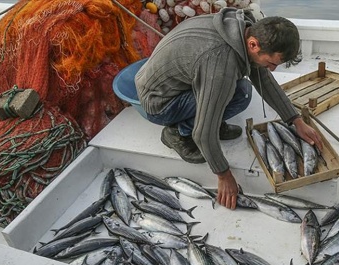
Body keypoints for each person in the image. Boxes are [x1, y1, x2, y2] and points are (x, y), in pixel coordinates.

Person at [135, 8, 323, 210]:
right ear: (253, 45)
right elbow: (203, 134)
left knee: (241, 89)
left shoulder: (242, 27)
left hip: (172, 79)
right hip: (160, 102)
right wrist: (223, 174)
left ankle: (206, 117)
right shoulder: (220, 63)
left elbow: (264, 80)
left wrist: (295, 120)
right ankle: (177, 132)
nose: (272, 69)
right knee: (238, 94)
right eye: (271, 63)